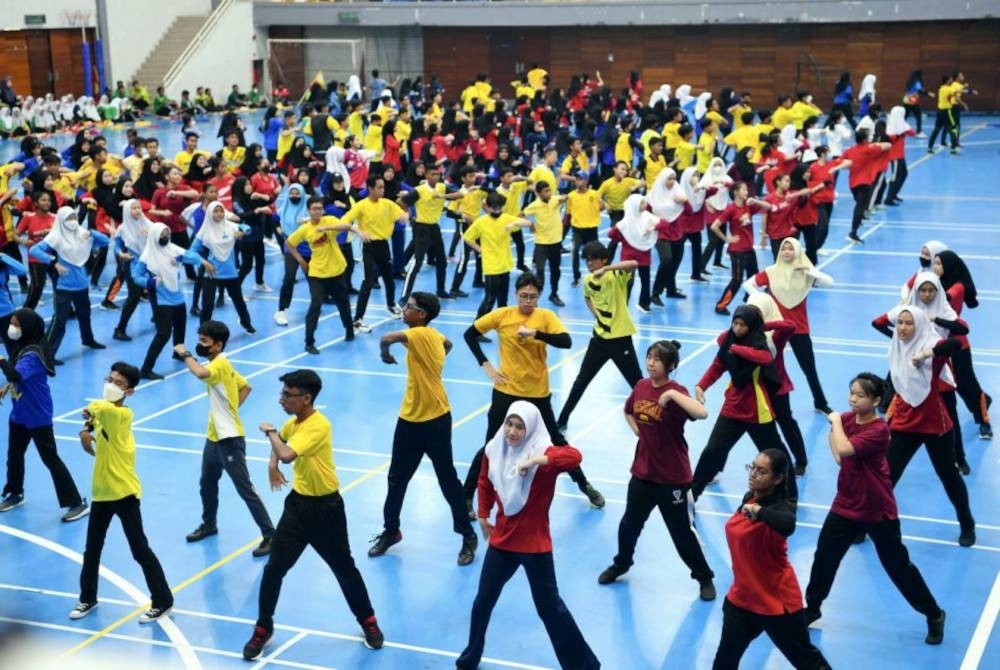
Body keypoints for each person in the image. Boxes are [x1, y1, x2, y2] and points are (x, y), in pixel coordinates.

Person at [242, 370, 383, 660]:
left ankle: (368, 622)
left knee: (345, 569)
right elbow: (281, 440)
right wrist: (271, 464)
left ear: (306, 398)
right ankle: (263, 627)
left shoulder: (318, 426)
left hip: (326, 510)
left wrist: (269, 435)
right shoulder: (293, 423)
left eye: (288, 395)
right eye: (282, 394)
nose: (282, 400)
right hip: (297, 509)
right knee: (274, 570)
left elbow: (286, 454)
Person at [803, 373, 946, 645]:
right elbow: (838, 455)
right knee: (824, 558)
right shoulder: (846, 420)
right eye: (852, 393)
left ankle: (934, 614)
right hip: (846, 504)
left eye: (860, 395)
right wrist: (837, 426)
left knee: (897, 566)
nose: (853, 399)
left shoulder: (880, 430)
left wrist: (834, 423)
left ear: (876, 400)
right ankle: (811, 609)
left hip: (877, 508)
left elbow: (843, 448)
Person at [456, 402, 600, 670]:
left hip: (534, 546)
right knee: (482, 601)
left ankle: (585, 666)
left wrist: (537, 460)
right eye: (509, 424)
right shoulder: (495, 449)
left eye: (519, 427)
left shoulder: (543, 454)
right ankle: (468, 660)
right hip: (502, 542)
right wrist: (484, 515)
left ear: (531, 429)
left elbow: (574, 456)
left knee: (550, 609)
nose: (511, 431)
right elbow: (485, 481)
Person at [462, 272, 605, 511]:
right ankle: (467, 495)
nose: (528, 301)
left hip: (537, 393)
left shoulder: (546, 317)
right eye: (524, 296)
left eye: (533, 297)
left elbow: (566, 341)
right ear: (515, 294)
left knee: (558, 443)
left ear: (539, 297)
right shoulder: (502, 315)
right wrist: (486, 365)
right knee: (492, 444)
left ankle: (585, 486)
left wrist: (536, 334)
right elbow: (470, 334)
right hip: (506, 392)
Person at [597, 340, 717, 601]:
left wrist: (673, 396)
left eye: (658, 359)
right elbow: (628, 410)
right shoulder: (641, 386)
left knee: (682, 533)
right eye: (649, 357)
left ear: (671, 366)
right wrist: (637, 431)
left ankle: (704, 576)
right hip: (642, 474)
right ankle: (622, 564)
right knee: (629, 525)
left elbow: (703, 413)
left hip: (673, 478)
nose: (651, 362)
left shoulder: (678, 391)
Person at [367, 292, 479, 564]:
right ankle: (391, 531)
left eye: (410, 307)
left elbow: (385, 338)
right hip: (409, 419)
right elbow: (448, 343)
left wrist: (384, 354)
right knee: (396, 478)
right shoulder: (431, 337)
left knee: (447, 479)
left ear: (422, 315)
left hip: (436, 419)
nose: (404, 309)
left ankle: (468, 536)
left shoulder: (419, 335)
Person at [70, 361, 174, 623]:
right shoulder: (104, 414)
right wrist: (85, 429)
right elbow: (95, 418)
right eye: (110, 379)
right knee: (91, 549)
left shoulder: (121, 416)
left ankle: (163, 600)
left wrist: (87, 416)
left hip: (124, 494)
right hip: (102, 493)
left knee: (139, 550)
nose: (110, 385)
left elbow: (99, 409)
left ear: (129, 392)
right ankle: (87, 598)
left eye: (118, 384)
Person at [711, 449, 831, 670]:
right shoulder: (750, 497)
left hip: (776, 603)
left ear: (777, 479)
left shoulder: (779, 510)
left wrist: (759, 511)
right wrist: (753, 506)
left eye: (762, 471)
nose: (754, 474)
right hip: (742, 599)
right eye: (753, 467)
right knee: (725, 660)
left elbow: (788, 524)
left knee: (807, 661)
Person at [173, 321, 275, 555]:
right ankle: (209, 524)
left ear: (218, 345)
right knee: (207, 484)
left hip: (229, 439)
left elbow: (200, 373)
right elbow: (245, 387)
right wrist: (231, 408)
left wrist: (185, 353)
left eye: (204, 342)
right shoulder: (221, 363)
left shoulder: (218, 364)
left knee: (245, 489)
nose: (200, 345)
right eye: (198, 340)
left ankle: (271, 535)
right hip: (213, 437)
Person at [884, 306, 976, 546]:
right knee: (886, 477)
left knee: (949, 476)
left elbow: (954, 344)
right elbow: (878, 321)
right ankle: (867, 524)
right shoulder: (896, 347)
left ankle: (967, 523)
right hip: (904, 422)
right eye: (900, 323)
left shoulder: (932, 347)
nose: (902, 328)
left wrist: (925, 354)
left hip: (934, 423)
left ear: (921, 326)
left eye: (909, 323)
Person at [691, 305, 798, 502]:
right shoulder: (728, 340)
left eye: (743, 325)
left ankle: (790, 497)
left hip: (757, 411)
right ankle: (691, 496)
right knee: (712, 451)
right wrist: (701, 386)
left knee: (778, 456)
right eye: (735, 323)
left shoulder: (759, 343)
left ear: (753, 325)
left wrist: (758, 331)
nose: (738, 328)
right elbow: (717, 366)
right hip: (732, 408)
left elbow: (765, 358)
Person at [0, 308, 88, 520]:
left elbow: (17, 374)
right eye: (12, 323)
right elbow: (16, 376)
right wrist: (6, 387)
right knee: (14, 454)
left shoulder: (33, 353)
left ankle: (77, 502)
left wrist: (1, 361)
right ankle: (15, 492)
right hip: (20, 412)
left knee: (50, 458)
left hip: (37, 414)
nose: (12, 328)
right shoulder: (23, 346)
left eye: (17, 325)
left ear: (28, 327)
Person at [556, 241, 641, 431]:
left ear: (604, 260)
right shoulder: (588, 280)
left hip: (621, 339)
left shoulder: (616, 275)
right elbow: (587, 297)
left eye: (594, 260)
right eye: (587, 260)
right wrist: (594, 312)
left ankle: (652, 415)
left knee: (638, 383)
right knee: (581, 381)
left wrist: (607, 269)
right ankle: (561, 420)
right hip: (599, 341)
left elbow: (634, 264)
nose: (590, 264)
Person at [744, 237, 833, 414]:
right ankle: (767, 401)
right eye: (783, 249)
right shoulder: (771, 271)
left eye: (790, 249)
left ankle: (820, 402)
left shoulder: (806, 273)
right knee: (768, 366)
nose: (786, 252)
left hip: (799, 328)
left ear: (797, 251)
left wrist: (810, 271)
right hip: (775, 328)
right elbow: (748, 284)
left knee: (809, 368)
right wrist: (763, 298)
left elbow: (829, 281)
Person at [28, 207, 110, 364]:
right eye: (68, 218)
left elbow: (105, 241)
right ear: (61, 220)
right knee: (59, 322)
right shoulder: (56, 236)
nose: (72, 220)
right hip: (64, 287)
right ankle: (46, 355)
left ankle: (88, 339)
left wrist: (92, 233)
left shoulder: (82, 233)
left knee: (85, 315)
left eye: (74, 216)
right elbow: (34, 250)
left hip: (82, 285)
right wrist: (53, 262)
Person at [132, 222, 207, 380]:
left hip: (177, 296)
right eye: (162, 235)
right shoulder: (147, 257)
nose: (165, 237)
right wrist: (150, 282)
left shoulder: (173, 249)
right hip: (161, 299)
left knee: (180, 327)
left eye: (167, 233)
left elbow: (194, 257)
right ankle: (146, 368)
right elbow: (136, 276)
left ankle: (178, 352)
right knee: (164, 333)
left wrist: (180, 257)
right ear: (154, 236)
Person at [284, 196, 356, 353]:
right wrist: (301, 261)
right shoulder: (304, 229)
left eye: (320, 208)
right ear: (309, 210)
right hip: (317, 273)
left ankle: (349, 329)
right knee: (315, 305)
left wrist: (328, 229)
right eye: (314, 209)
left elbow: (346, 225)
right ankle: (309, 342)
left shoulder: (329, 220)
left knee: (343, 303)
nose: (317, 211)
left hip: (336, 270)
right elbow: (289, 243)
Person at [341, 175, 409, 332]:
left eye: (383, 187)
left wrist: (405, 215)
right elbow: (345, 222)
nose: (382, 190)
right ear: (370, 189)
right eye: (379, 187)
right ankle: (358, 319)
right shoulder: (361, 206)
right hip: (368, 246)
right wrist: (358, 231)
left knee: (389, 279)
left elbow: (402, 215)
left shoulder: (388, 204)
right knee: (368, 282)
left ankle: (391, 305)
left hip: (383, 246)